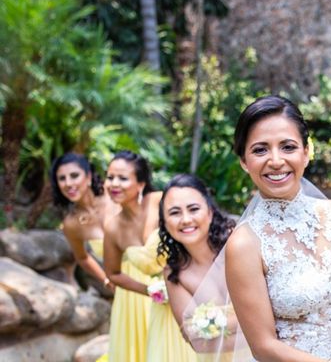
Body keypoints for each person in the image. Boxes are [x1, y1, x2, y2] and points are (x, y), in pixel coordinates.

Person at [224, 95, 331, 361]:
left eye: (288, 147)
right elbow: (264, 346)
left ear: (306, 152)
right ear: (244, 161)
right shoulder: (244, 244)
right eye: (260, 150)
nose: (276, 160)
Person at [157, 173, 236, 360]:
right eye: (174, 212)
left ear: (209, 212)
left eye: (193, 209)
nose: (185, 219)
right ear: (164, 222)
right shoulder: (174, 273)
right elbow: (196, 342)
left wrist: (212, 327)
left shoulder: (237, 243)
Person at [103, 150, 161, 362]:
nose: (114, 184)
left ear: (141, 183)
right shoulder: (112, 227)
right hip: (135, 297)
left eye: (123, 178)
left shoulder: (158, 201)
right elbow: (113, 273)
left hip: (177, 286)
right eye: (110, 177)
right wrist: (151, 291)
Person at [52, 153, 118, 289]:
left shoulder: (115, 193)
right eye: (62, 179)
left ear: (88, 177)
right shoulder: (71, 224)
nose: (68, 183)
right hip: (124, 287)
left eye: (74, 176)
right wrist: (106, 281)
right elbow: (82, 258)